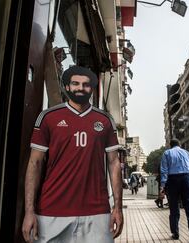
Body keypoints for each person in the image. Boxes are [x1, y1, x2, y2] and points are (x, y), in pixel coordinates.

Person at [22, 66, 123, 243]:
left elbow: (114, 164)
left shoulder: (105, 120)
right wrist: (29, 211)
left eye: (86, 85)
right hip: (51, 212)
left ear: (91, 89)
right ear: (67, 87)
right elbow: (34, 164)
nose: (80, 88)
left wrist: (118, 208)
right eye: (75, 83)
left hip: (97, 213)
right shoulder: (48, 117)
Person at [160, 139, 189, 243]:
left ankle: (175, 233)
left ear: (170, 145)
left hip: (173, 180)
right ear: (180, 144)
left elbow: (164, 170)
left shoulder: (167, 153)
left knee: (174, 207)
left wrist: (163, 186)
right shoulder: (186, 153)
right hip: (187, 178)